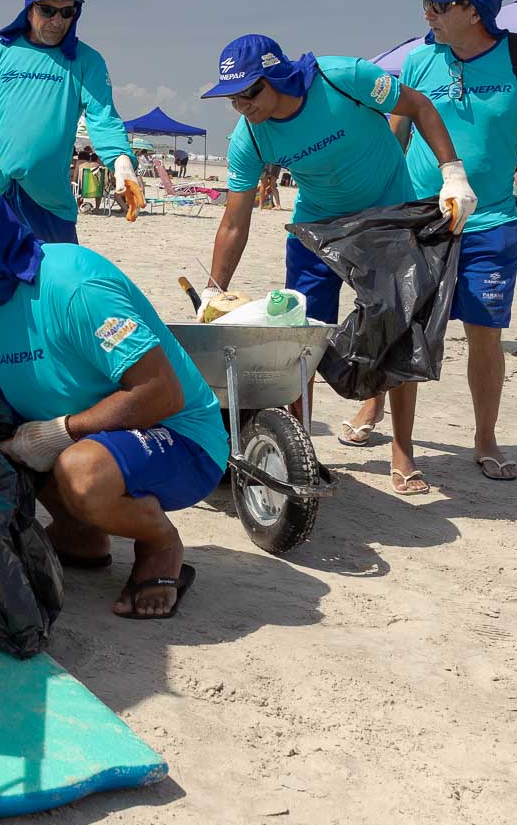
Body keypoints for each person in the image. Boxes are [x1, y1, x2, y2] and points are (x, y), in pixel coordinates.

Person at [0, 178, 224, 619]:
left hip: (182, 438)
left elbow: (161, 392)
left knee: (80, 471)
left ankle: (161, 544)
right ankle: (79, 532)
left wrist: (60, 432)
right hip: (99, 434)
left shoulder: (72, 284)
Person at [201, 35, 473, 497]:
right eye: (232, 97)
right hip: (317, 228)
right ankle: (299, 447)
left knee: (402, 336)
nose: (242, 105)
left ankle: (402, 450)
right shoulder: (249, 137)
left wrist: (453, 173)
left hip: (388, 217)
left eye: (250, 92)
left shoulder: (343, 77)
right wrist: (213, 289)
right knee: (298, 342)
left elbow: (420, 106)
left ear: (279, 77)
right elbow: (235, 220)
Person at [347, 0, 517, 485]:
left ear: (474, 10)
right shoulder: (419, 60)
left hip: (490, 217)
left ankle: (485, 438)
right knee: (405, 331)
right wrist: (378, 211)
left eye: (440, 5)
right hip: (420, 216)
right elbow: (394, 137)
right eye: (427, 4)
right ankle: (400, 448)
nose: (429, 13)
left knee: (485, 335)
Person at [0, 0, 143, 242]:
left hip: (51, 204)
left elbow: (103, 118)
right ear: (30, 9)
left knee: (55, 281)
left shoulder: (86, 61)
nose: (57, 20)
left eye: (66, 12)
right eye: (47, 10)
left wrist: (122, 162)